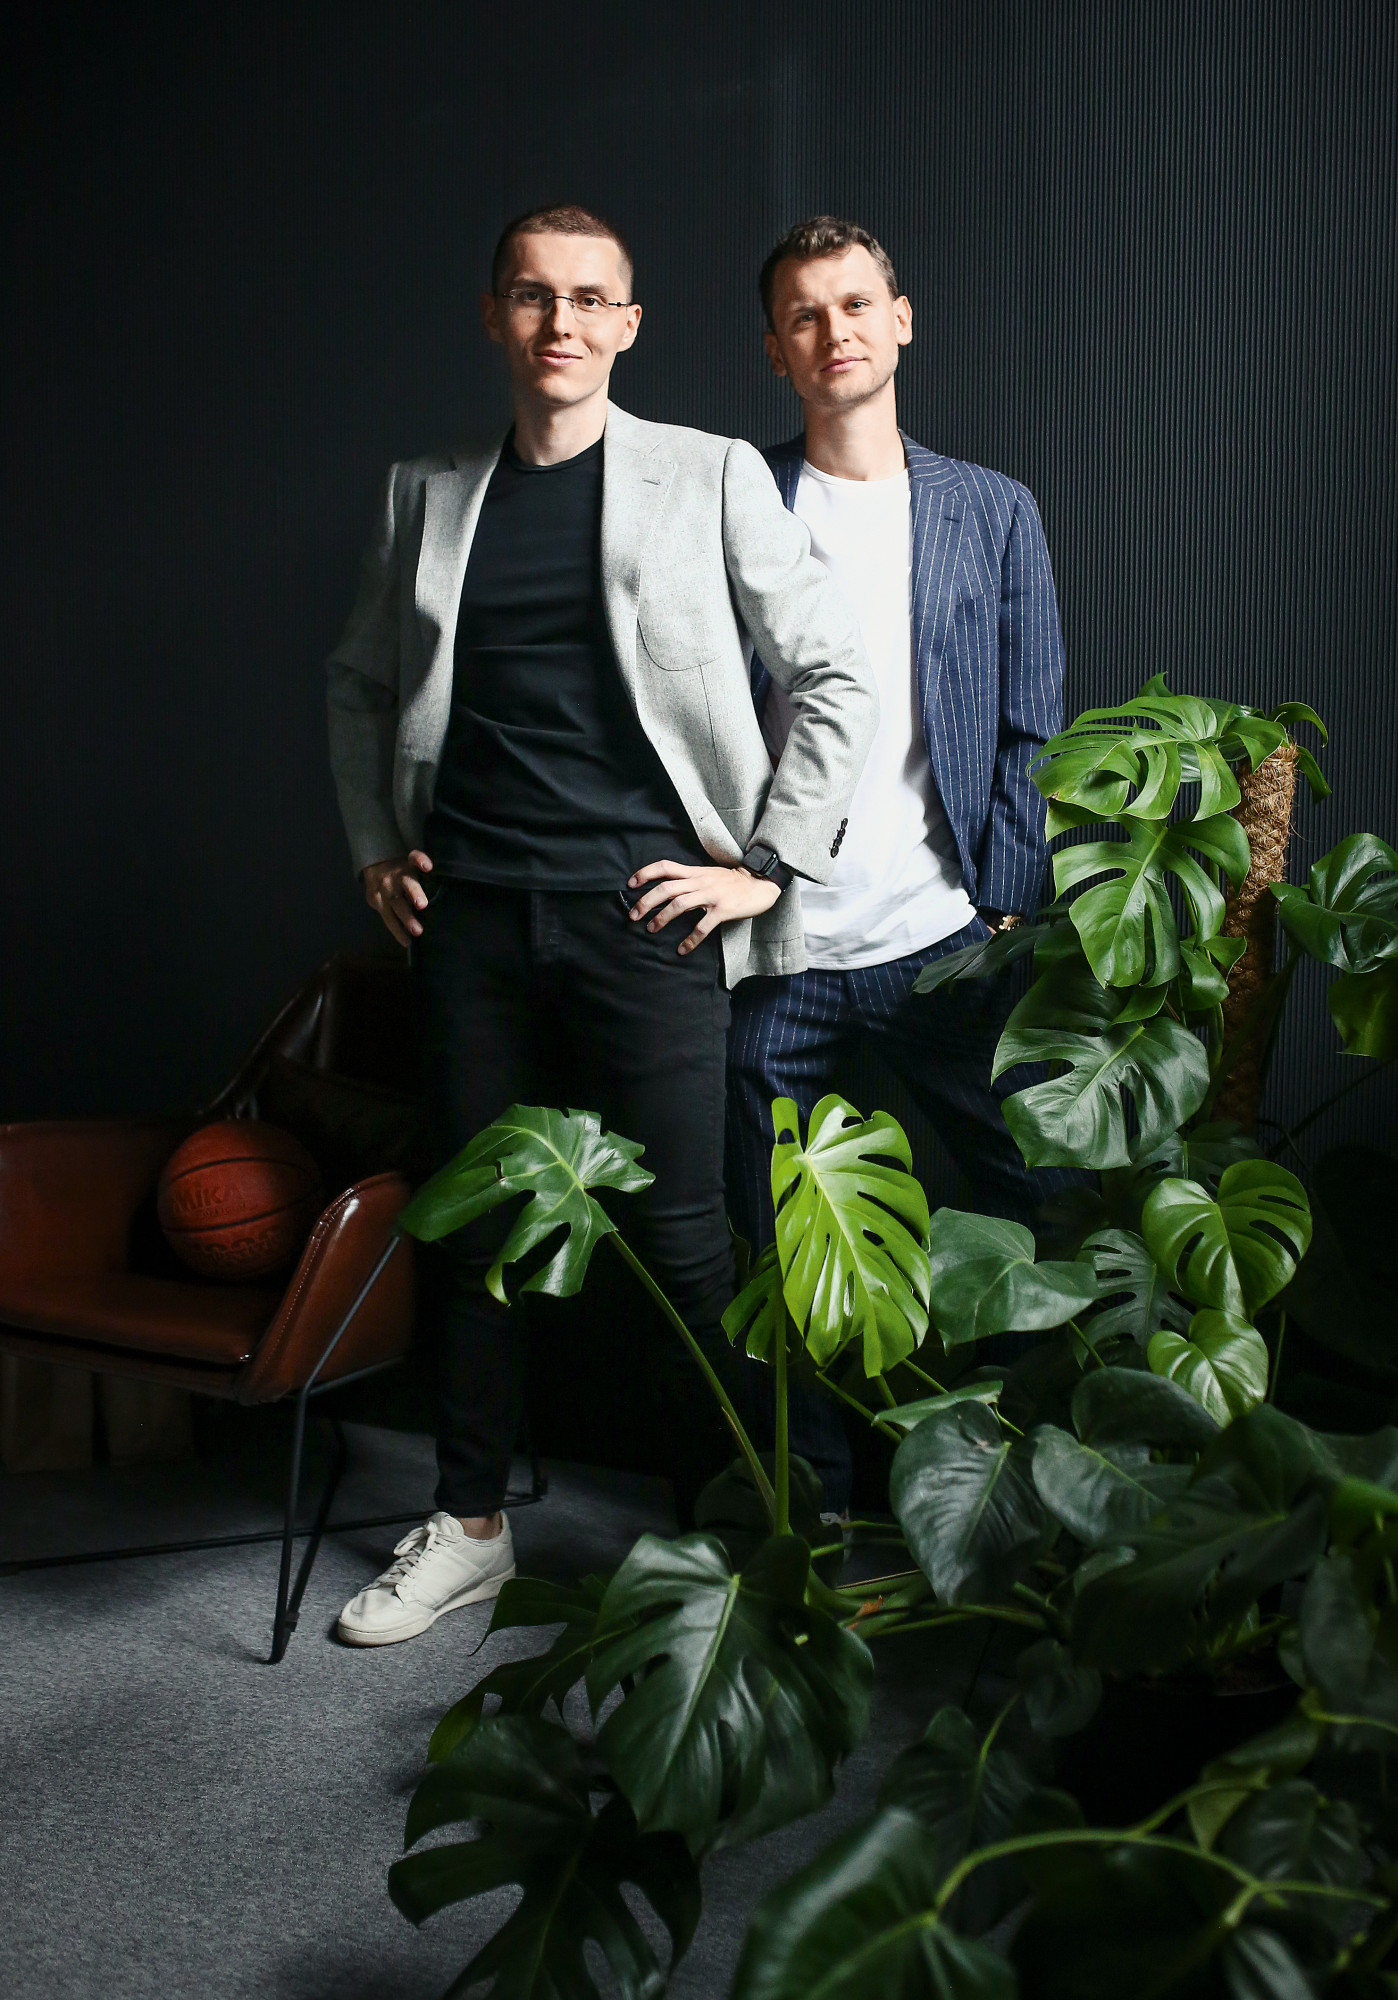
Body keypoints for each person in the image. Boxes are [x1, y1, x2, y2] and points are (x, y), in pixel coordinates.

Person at [326, 203, 877, 1645]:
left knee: (685, 1242)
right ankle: (467, 1525)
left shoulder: (706, 475)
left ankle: (778, 1514)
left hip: (647, 920)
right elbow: (359, 685)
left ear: (627, 325)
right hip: (469, 921)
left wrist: (768, 864)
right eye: (532, 295)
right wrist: (377, 848)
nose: (559, 322)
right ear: (496, 317)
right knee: (480, 1234)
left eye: (588, 299)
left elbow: (834, 672)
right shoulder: (424, 491)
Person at [726, 215, 1067, 1517]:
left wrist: (1004, 902)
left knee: (1046, 1193)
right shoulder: (734, 504)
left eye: (856, 304)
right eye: (805, 315)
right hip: (777, 951)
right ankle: (807, 1499)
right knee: (780, 1241)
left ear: (900, 319)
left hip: (945, 940)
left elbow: (1031, 722)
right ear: (775, 349)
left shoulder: (992, 509)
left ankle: (1013, 1470)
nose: (836, 332)